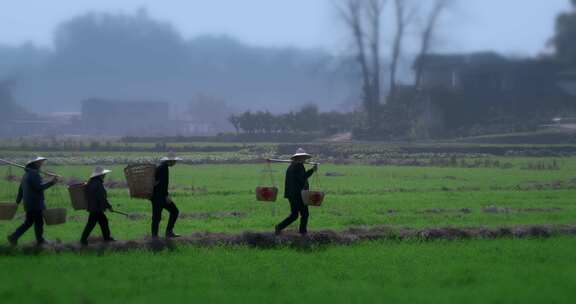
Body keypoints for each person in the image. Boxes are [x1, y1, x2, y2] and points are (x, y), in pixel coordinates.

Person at [7, 157, 58, 246]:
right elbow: (39, 187)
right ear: (34, 165)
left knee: (28, 222)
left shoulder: (26, 175)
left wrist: (18, 201)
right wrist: (52, 182)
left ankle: (14, 236)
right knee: (39, 222)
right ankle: (40, 241)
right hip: (35, 203)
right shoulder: (34, 174)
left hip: (28, 203)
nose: (41, 165)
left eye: (41, 163)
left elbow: (20, 190)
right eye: (39, 163)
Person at [275, 148, 318, 235]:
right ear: (299, 158)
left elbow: (300, 178)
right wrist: (312, 170)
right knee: (305, 214)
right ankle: (303, 232)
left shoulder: (292, 166)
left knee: (294, 215)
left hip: (291, 194)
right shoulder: (298, 166)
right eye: (303, 158)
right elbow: (302, 178)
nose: (304, 159)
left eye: (304, 158)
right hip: (298, 195)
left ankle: (279, 227)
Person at [80, 167, 115, 245]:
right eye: (103, 174)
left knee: (102, 221)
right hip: (96, 208)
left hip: (93, 207)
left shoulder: (91, 182)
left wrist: (107, 206)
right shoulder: (98, 184)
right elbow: (101, 197)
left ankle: (106, 238)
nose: (105, 175)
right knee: (92, 223)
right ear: (100, 175)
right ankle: (83, 240)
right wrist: (109, 206)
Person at [150, 153, 181, 238]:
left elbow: (156, 182)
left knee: (157, 217)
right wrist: (166, 195)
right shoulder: (163, 168)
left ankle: (156, 235)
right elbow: (162, 184)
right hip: (159, 197)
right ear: (170, 161)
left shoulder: (161, 166)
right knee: (174, 212)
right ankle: (164, 233)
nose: (175, 163)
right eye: (174, 161)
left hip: (156, 196)